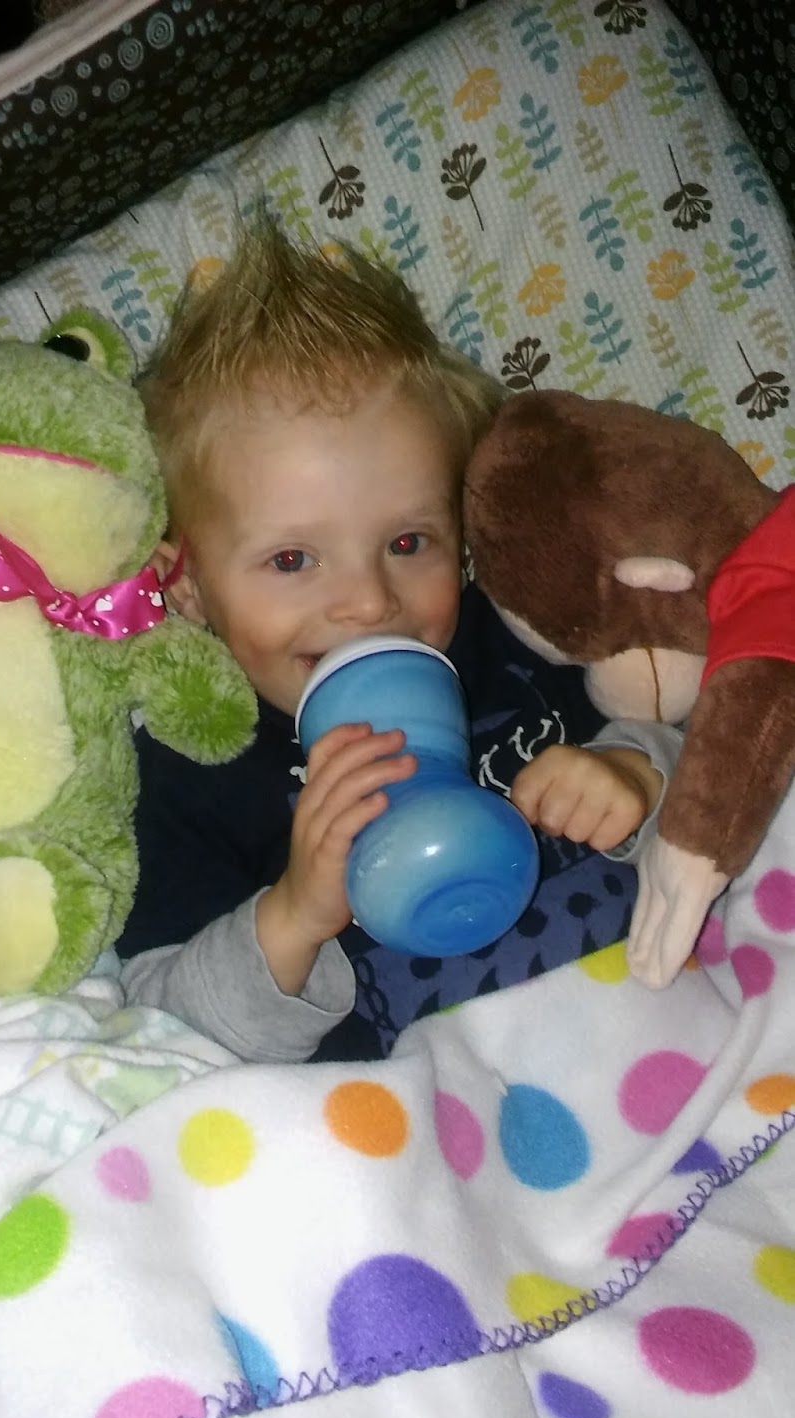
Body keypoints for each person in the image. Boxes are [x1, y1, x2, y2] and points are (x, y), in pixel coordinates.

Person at [116, 219, 680, 1061]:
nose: (370, 601)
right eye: (292, 559)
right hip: (433, 1110)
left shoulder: (512, 637)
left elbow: (711, 750)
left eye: (409, 543)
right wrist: (294, 916)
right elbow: (157, 1026)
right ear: (187, 586)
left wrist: (634, 770)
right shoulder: (194, 768)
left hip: (660, 1027)